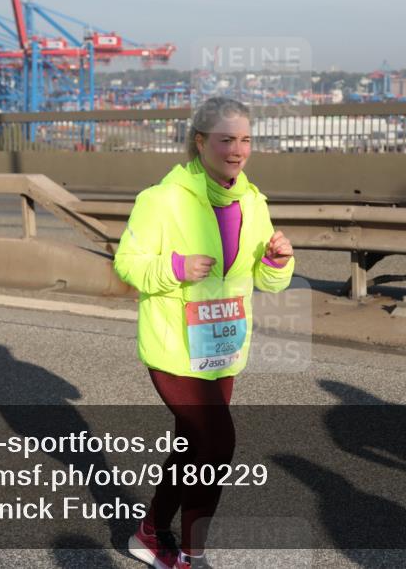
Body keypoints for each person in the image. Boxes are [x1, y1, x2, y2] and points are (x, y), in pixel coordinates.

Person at [113, 97, 294, 569]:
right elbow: (126, 264)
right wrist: (175, 267)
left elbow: (266, 280)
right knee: (217, 445)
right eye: (226, 140)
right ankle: (192, 555)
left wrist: (277, 259)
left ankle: (149, 534)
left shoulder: (253, 202)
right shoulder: (161, 199)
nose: (238, 150)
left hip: (222, 347)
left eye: (246, 140)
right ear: (200, 142)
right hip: (175, 347)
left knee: (195, 446)